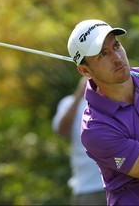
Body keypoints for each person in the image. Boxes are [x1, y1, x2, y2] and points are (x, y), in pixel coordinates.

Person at [66, 19, 139, 205]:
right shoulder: (95, 129)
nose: (117, 57)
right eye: (103, 54)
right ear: (84, 70)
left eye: (116, 45)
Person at [52, 77, 107, 205]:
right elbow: (62, 131)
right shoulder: (68, 103)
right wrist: (79, 94)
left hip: (119, 184)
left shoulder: (111, 99)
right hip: (87, 186)